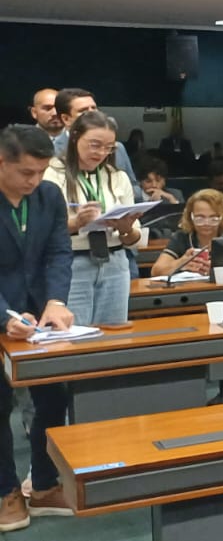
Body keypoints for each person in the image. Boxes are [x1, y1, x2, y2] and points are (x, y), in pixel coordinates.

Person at [0, 124, 75, 524]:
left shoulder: (48, 195)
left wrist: (55, 301)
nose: (35, 180)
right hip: (3, 314)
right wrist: (4, 316)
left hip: (39, 320)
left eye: (42, 171)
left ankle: (44, 485)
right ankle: (6, 492)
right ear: (2, 162)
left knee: (53, 398)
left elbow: (59, 252)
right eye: (26, 172)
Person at [43, 111, 138, 326]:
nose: (101, 153)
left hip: (115, 261)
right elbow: (43, 230)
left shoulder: (117, 176)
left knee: (114, 334)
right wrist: (76, 223)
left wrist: (126, 228)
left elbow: (134, 238)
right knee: (72, 332)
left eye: (109, 147)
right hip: (73, 262)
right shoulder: (52, 173)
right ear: (75, 137)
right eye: (95, 145)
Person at [150, 189, 223, 278]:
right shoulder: (182, 236)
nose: (206, 223)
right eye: (200, 218)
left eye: (213, 218)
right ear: (190, 216)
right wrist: (182, 262)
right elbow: (156, 271)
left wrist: (215, 271)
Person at [50, 88, 134, 174]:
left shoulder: (117, 148)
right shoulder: (52, 151)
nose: (93, 114)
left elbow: (132, 181)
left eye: (94, 108)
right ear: (66, 119)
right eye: (83, 111)